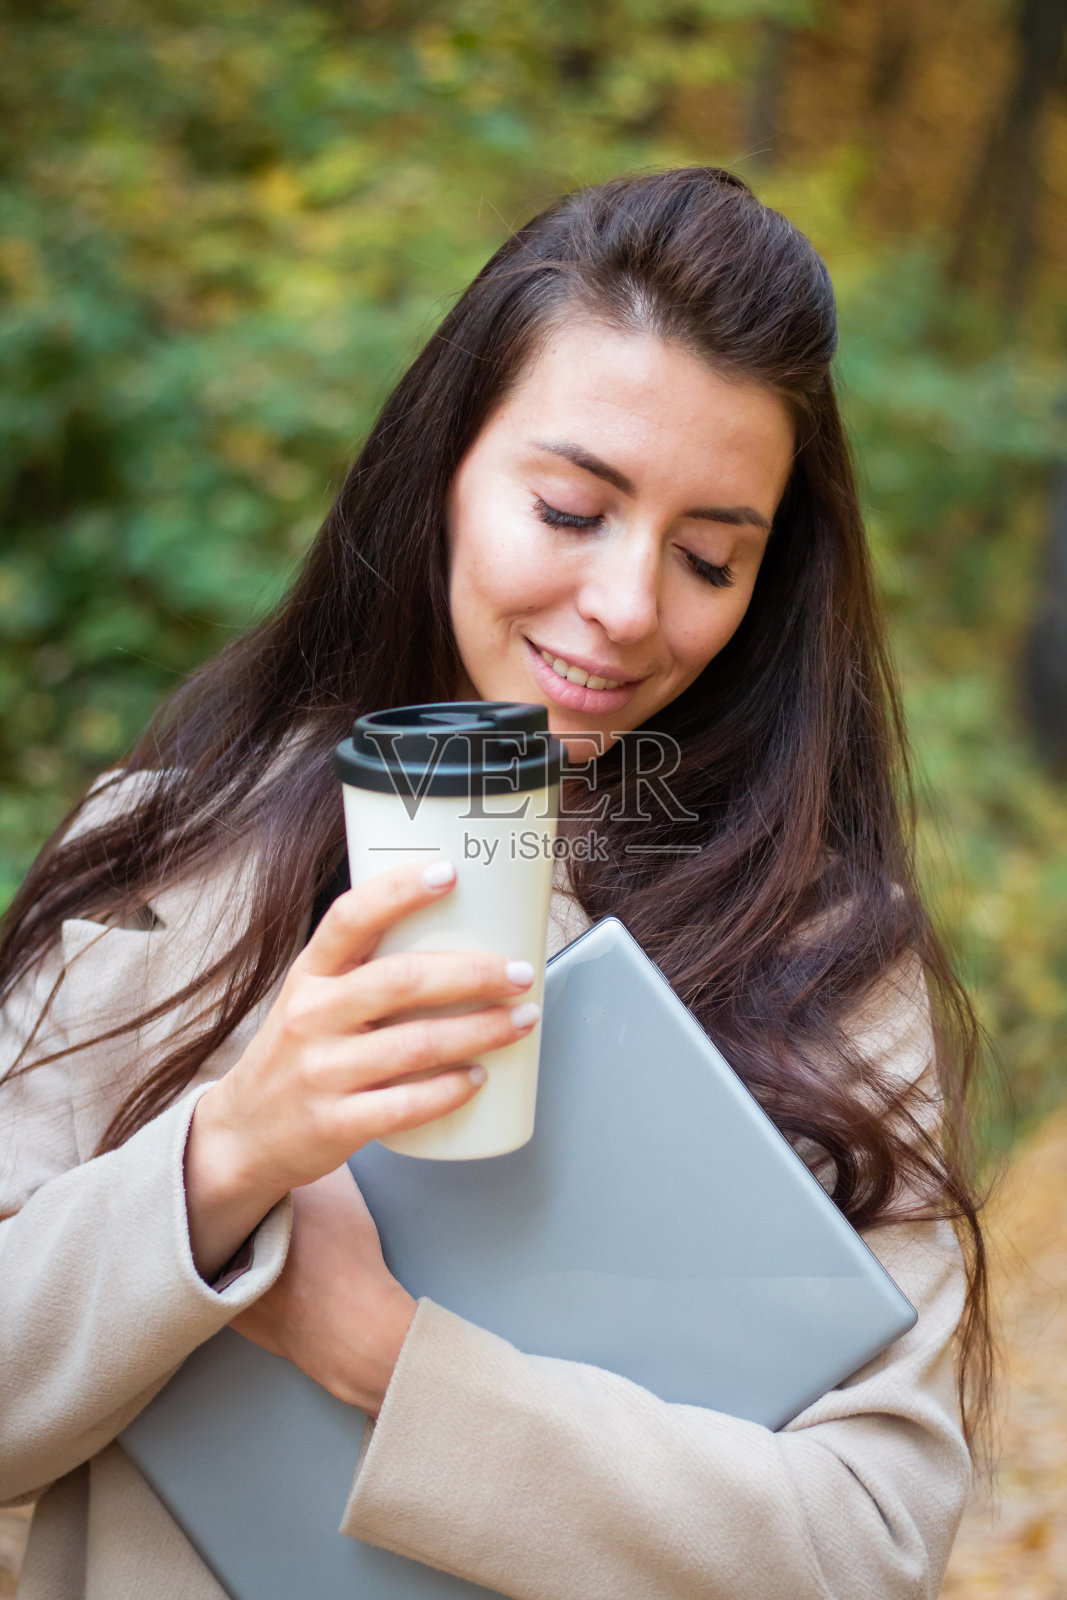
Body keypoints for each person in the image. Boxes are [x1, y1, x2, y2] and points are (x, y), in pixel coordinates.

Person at [0, 166, 990, 1599]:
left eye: (711, 557)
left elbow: (873, 1542)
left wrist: (397, 1366)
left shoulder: (823, 950)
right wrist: (222, 1163)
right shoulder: (163, 864)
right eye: (572, 510)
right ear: (445, 469)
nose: (630, 606)